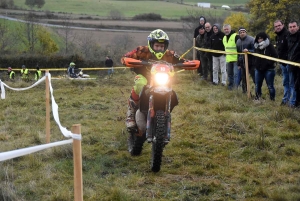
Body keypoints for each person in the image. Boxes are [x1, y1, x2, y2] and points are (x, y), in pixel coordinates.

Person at [121, 29, 186, 133]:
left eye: (162, 46)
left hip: (163, 79)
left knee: (173, 92)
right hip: (145, 77)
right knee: (140, 83)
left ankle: (165, 114)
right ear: (151, 44)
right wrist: (127, 60)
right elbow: (126, 57)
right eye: (157, 46)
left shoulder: (170, 54)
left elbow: (183, 61)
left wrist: (189, 64)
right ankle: (131, 114)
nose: (159, 49)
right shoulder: (142, 50)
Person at [274, 20, 295, 106]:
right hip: (282, 63)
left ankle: (292, 102)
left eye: (279, 25)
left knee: (291, 83)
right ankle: (285, 99)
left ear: (283, 25)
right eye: (276, 26)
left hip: (289, 63)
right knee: (285, 82)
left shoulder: (287, 34)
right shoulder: (277, 36)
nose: (278, 27)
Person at [253, 32, 278, 101]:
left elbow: (275, 56)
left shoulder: (269, 46)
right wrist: (255, 63)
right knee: (257, 85)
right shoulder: (256, 46)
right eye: (258, 38)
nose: (259, 40)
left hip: (269, 69)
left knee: (270, 86)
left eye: (261, 38)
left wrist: (269, 63)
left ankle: (272, 100)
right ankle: (258, 98)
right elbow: (254, 56)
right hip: (258, 69)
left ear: (264, 38)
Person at [236, 27, 255, 93]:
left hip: (252, 63)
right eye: (240, 33)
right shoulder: (238, 41)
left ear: (246, 32)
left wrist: (248, 51)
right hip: (242, 63)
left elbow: (255, 50)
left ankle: (258, 93)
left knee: (255, 78)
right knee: (244, 78)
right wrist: (238, 64)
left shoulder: (252, 39)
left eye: (243, 32)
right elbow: (238, 53)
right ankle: (245, 92)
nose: (242, 33)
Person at [287, 20, 300, 107]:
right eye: (290, 27)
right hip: (292, 65)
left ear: (298, 27)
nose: (292, 28)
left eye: (294, 26)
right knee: (295, 85)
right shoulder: (288, 37)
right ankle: (296, 103)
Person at [222, 24, 239, 90]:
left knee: (236, 75)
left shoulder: (235, 36)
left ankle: (236, 87)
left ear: (230, 29)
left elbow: (239, 47)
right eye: (225, 29)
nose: (226, 31)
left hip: (236, 59)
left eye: (227, 29)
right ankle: (230, 86)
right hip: (228, 59)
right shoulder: (224, 38)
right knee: (229, 74)